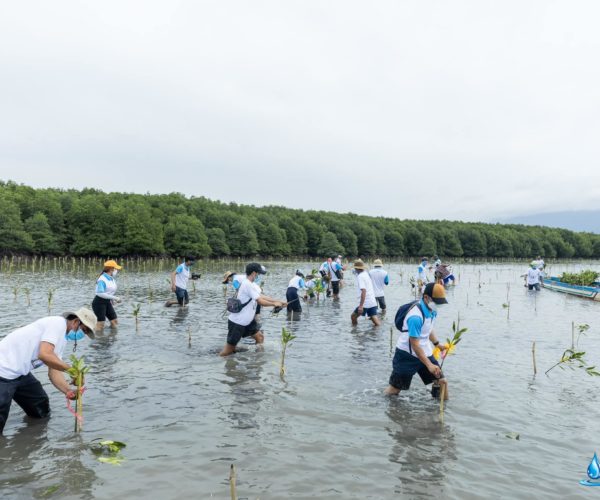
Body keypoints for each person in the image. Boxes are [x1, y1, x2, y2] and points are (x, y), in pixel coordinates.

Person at [0, 308, 97, 434]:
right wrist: (74, 371)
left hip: (20, 373)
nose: (81, 334)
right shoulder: (57, 324)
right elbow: (44, 355)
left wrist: (68, 390)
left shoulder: (62, 339)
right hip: (3, 370)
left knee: (40, 404)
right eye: (83, 330)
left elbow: (54, 371)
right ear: (76, 322)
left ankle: (32, 440)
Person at [385, 283, 449, 398]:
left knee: (442, 382)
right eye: (436, 302)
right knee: (395, 390)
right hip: (406, 355)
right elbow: (414, 345)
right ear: (426, 297)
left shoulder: (432, 310)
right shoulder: (415, 317)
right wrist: (429, 365)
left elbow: (428, 328)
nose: (438, 305)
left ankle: (443, 412)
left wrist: (437, 344)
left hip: (425, 352)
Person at [219, 263, 286, 357]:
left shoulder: (252, 284)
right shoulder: (247, 284)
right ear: (254, 273)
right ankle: (217, 366)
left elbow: (261, 296)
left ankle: (258, 361)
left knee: (260, 337)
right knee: (228, 351)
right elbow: (260, 301)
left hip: (248, 321)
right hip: (238, 323)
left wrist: (279, 301)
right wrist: (274, 304)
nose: (259, 276)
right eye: (258, 273)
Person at [92, 260, 122, 332]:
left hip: (107, 302)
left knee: (114, 322)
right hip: (99, 303)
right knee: (101, 324)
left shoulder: (111, 278)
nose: (117, 270)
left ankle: (111, 337)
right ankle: (98, 340)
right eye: (116, 269)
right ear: (111, 269)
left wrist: (111, 300)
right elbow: (100, 293)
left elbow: (108, 292)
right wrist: (115, 298)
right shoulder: (102, 279)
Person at [351, 260, 381, 326]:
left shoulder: (360, 277)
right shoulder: (366, 274)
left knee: (353, 317)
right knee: (375, 319)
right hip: (372, 301)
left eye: (355, 268)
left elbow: (363, 291)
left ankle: (355, 332)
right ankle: (378, 333)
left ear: (356, 269)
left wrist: (361, 306)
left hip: (366, 303)